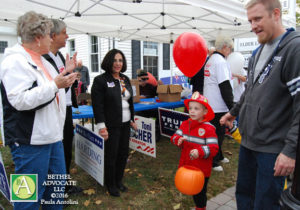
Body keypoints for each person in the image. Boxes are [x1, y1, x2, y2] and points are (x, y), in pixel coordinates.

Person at [220, 0, 299, 209]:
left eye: (257, 19)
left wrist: (290, 151)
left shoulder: (294, 48)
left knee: (266, 204)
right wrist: (233, 113)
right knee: (244, 197)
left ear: (275, 14)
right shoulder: (258, 51)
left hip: (273, 150)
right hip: (248, 142)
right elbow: (250, 91)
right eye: (250, 20)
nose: (253, 26)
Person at [0, 11, 77, 209]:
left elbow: (53, 91)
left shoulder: (43, 61)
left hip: (52, 138)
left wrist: (65, 75)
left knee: (55, 194)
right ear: (38, 38)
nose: (51, 39)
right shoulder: (14, 61)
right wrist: (55, 85)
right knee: (27, 200)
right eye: (49, 34)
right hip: (29, 143)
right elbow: (19, 100)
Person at [42, 19, 82, 194]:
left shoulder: (58, 55)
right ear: (53, 35)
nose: (67, 36)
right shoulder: (41, 58)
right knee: (52, 152)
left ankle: (63, 185)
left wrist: (72, 77)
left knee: (65, 149)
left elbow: (62, 83)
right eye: (64, 32)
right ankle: (54, 190)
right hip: (51, 112)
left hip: (65, 109)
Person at [91, 49, 137, 197]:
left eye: (121, 60)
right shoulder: (100, 80)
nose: (118, 63)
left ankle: (118, 181)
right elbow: (98, 106)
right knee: (111, 155)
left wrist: (132, 119)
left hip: (125, 124)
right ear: (109, 61)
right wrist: (101, 126)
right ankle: (110, 184)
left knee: (123, 154)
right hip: (111, 125)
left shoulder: (125, 79)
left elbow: (129, 102)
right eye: (115, 60)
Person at [171, 92, 218, 210]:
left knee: (199, 194)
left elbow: (214, 148)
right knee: (191, 190)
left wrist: (200, 151)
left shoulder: (209, 128)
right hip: (187, 165)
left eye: (196, 108)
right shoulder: (185, 124)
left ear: (205, 111)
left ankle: (201, 208)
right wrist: (178, 140)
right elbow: (174, 136)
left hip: (201, 169)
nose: (192, 111)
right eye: (190, 108)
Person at [203, 36, 234, 172]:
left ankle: (219, 155)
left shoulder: (211, 60)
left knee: (216, 132)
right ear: (225, 47)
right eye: (230, 49)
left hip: (210, 102)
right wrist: (232, 106)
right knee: (217, 134)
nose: (230, 51)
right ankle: (213, 161)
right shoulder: (220, 61)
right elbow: (224, 85)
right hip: (217, 104)